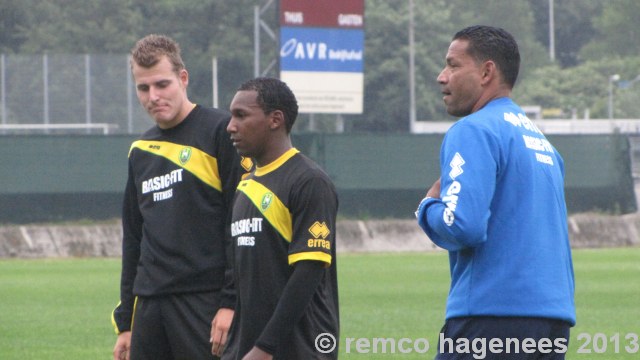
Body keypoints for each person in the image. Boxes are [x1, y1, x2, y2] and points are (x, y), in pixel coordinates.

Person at [415, 25, 576, 359]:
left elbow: (463, 225)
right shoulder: (543, 144)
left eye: (453, 65)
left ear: (487, 71)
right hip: (553, 320)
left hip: (491, 316)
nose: (442, 77)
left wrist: (427, 207)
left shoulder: (473, 130)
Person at [111, 34, 249, 360]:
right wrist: (127, 323)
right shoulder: (140, 151)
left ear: (183, 78)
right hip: (149, 307)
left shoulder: (221, 131)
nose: (153, 96)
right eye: (143, 88)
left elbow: (241, 224)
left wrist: (231, 302)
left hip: (203, 303)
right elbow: (133, 240)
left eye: (162, 84)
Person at [222, 77, 340, 360]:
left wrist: (266, 347)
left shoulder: (309, 181)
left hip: (296, 348)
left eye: (241, 115)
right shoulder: (246, 185)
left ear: (275, 119)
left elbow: (308, 273)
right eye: (231, 116)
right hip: (247, 346)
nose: (230, 126)